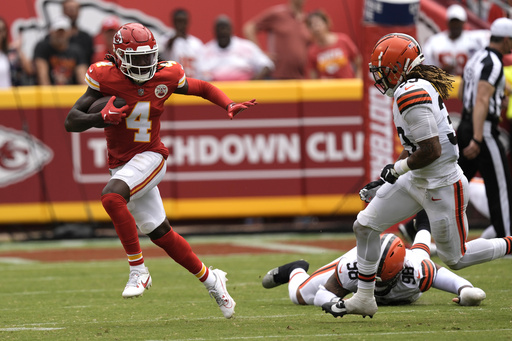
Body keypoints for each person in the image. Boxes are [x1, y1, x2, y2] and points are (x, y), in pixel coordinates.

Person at [64, 23, 257, 319]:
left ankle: (138, 270)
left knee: (111, 198)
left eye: (148, 57)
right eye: (137, 58)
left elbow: (202, 87)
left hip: (151, 155)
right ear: (120, 56)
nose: (145, 64)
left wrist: (227, 103)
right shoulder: (104, 75)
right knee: (161, 233)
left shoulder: (165, 74)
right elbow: (72, 120)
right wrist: (101, 117)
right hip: (122, 164)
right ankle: (211, 279)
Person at [321, 32, 512, 319]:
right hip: (418, 178)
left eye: (382, 69)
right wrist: (387, 179)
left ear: (398, 66)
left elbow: (431, 150)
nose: (379, 76)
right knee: (365, 225)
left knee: (455, 258)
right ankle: (363, 297)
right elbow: (414, 148)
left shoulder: (410, 91)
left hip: (442, 182)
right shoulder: (410, 87)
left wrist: (396, 170)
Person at [262, 232, 487, 313]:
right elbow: (322, 294)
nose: (375, 282)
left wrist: (466, 290)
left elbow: (463, 287)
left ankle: (422, 226)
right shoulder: (352, 266)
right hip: (358, 257)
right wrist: (340, 306)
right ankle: (295, 268)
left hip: (414, 258)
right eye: (370, 274)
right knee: (300, 295)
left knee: (422, 251)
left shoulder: (416, 271)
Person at [458, 17, 512, 238]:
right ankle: (508, 237)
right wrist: (478, 137)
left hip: (466, 123)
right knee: (500, 187)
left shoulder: (477, 58)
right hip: (483, 128)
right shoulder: (494, 62)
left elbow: (463, 93)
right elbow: (481, 99)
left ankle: (419, 223)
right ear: (507, 41)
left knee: (456, 183)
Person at [243, 0, 311, 79]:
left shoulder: (307, 19)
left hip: (299, 77)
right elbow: (249, 28)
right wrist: (261, 54)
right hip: (277, 75)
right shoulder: (278, 14)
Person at [201, 15, 274, 81]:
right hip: (215, 92)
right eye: (219, 29)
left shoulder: (247, 47)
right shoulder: (206, 51)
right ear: (214, 31)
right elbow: (200, 74)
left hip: (245, 91)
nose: (222, 32)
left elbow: (267, 65)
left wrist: (253, 82)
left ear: (231, 30)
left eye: (225, 28)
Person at [422, 4, 488, 76]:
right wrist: (440, 71)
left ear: (463, 23)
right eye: (453, 22)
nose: (456, 25)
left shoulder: (474, 39)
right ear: (448, 22)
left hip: (465, 84)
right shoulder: (434, 42)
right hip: (443, 84)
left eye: (458, 22)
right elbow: (427, 69)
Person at [305, 9, 362, 79]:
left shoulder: (343, 40)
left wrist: (358, 80)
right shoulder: (312, 51)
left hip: (348, 87)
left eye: (317, 23)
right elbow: (313, 77)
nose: (316, 28)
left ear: (326, 23)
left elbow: (359, 62)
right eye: (312, 25)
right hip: (327, 89)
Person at [33, 16, 87, 85]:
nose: (60, 35)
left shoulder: (77, 50)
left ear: (69, 32)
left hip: (72, 92)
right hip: (51, 92)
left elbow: (82, 79)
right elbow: (43, 77)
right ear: (51, 32)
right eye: (57, 31)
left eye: (63, 32)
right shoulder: (42, 48)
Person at [160, 8, 205, 79]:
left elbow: (201, 68)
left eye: (183, 21)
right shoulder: (166, 39)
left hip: (193, 82)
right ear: (174, 22)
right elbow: (162, 56)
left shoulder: (196, 43)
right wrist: (175, 38)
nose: (181, 24)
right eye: (178, 21)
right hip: (174, 82)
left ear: (187, 22)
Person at [62, 0, 94, 65]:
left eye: (74, 9)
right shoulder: (53, 37)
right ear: (63, 11)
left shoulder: (86, 38)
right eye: (68, 9)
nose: (71, 12)